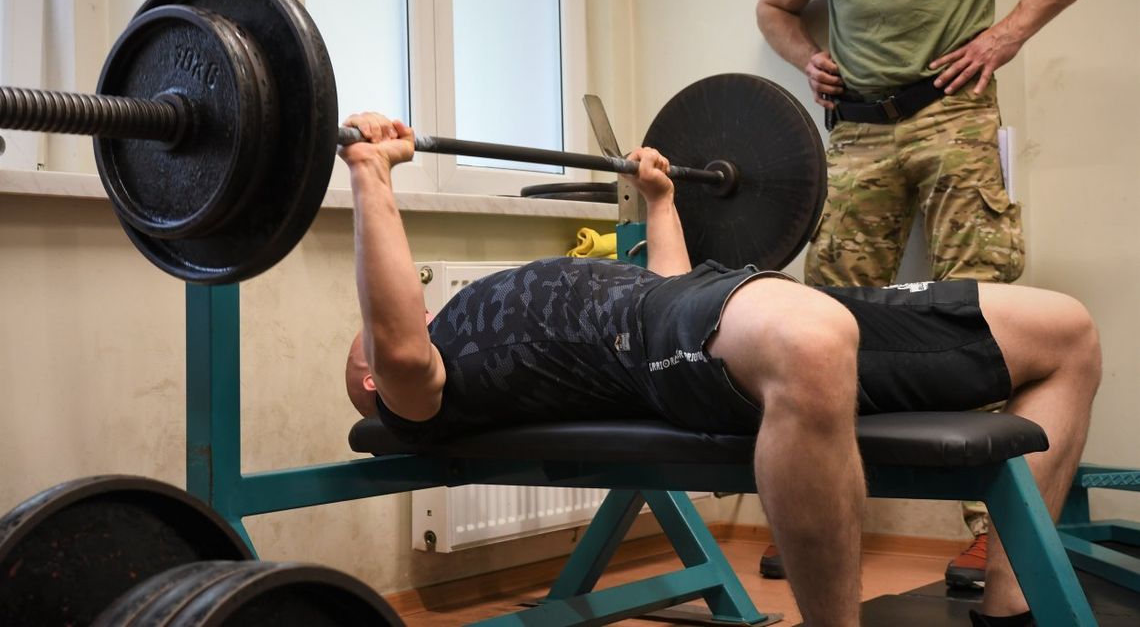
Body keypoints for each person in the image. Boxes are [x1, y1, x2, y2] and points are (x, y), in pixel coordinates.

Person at [339, 111, 1100, 627]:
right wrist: (372, 173)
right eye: (369, 339)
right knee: (813, 336)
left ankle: (1012, 610)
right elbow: (400, 339)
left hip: (701, 304)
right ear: (374, 382)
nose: (379, 331)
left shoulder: (467, 326)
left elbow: (667, 290)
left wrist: (661, 199)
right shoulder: (421, 389)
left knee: (1067, 331)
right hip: (656, 342)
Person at [755, 0, 1115, 585]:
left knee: (979, 316)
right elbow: (773, 6)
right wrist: (807, 57)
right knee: (823, 321)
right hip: (855, 131)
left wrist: (1006, 35)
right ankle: (821, 513)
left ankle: (993, 529)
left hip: (953, 113)